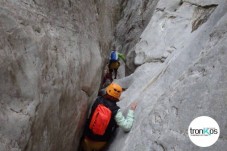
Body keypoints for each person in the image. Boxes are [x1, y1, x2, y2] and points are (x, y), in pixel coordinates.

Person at [82, 83, 137, 151]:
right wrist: (131, 110)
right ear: (118, 96)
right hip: (100, 143)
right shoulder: (116, 111)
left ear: (107, 90)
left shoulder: (97, 100)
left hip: (87, 138)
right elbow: (127, 127)